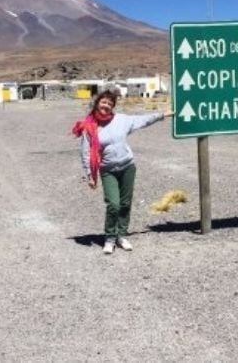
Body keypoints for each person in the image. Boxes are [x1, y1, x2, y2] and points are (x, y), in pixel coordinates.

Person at [72, 89, 173, 254]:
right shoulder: (89, 127)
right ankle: (110, 238)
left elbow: (142, 120)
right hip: (108, 170)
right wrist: (90, 175)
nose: (106, 106)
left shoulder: (121, 120)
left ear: (113, 106)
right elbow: (85, 153)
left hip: (127, 167)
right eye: (103, 102)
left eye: (110, 103)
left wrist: (162, 115)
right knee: (113, 204)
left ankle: (121, 235)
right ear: (97, 103)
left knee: (125, 203)